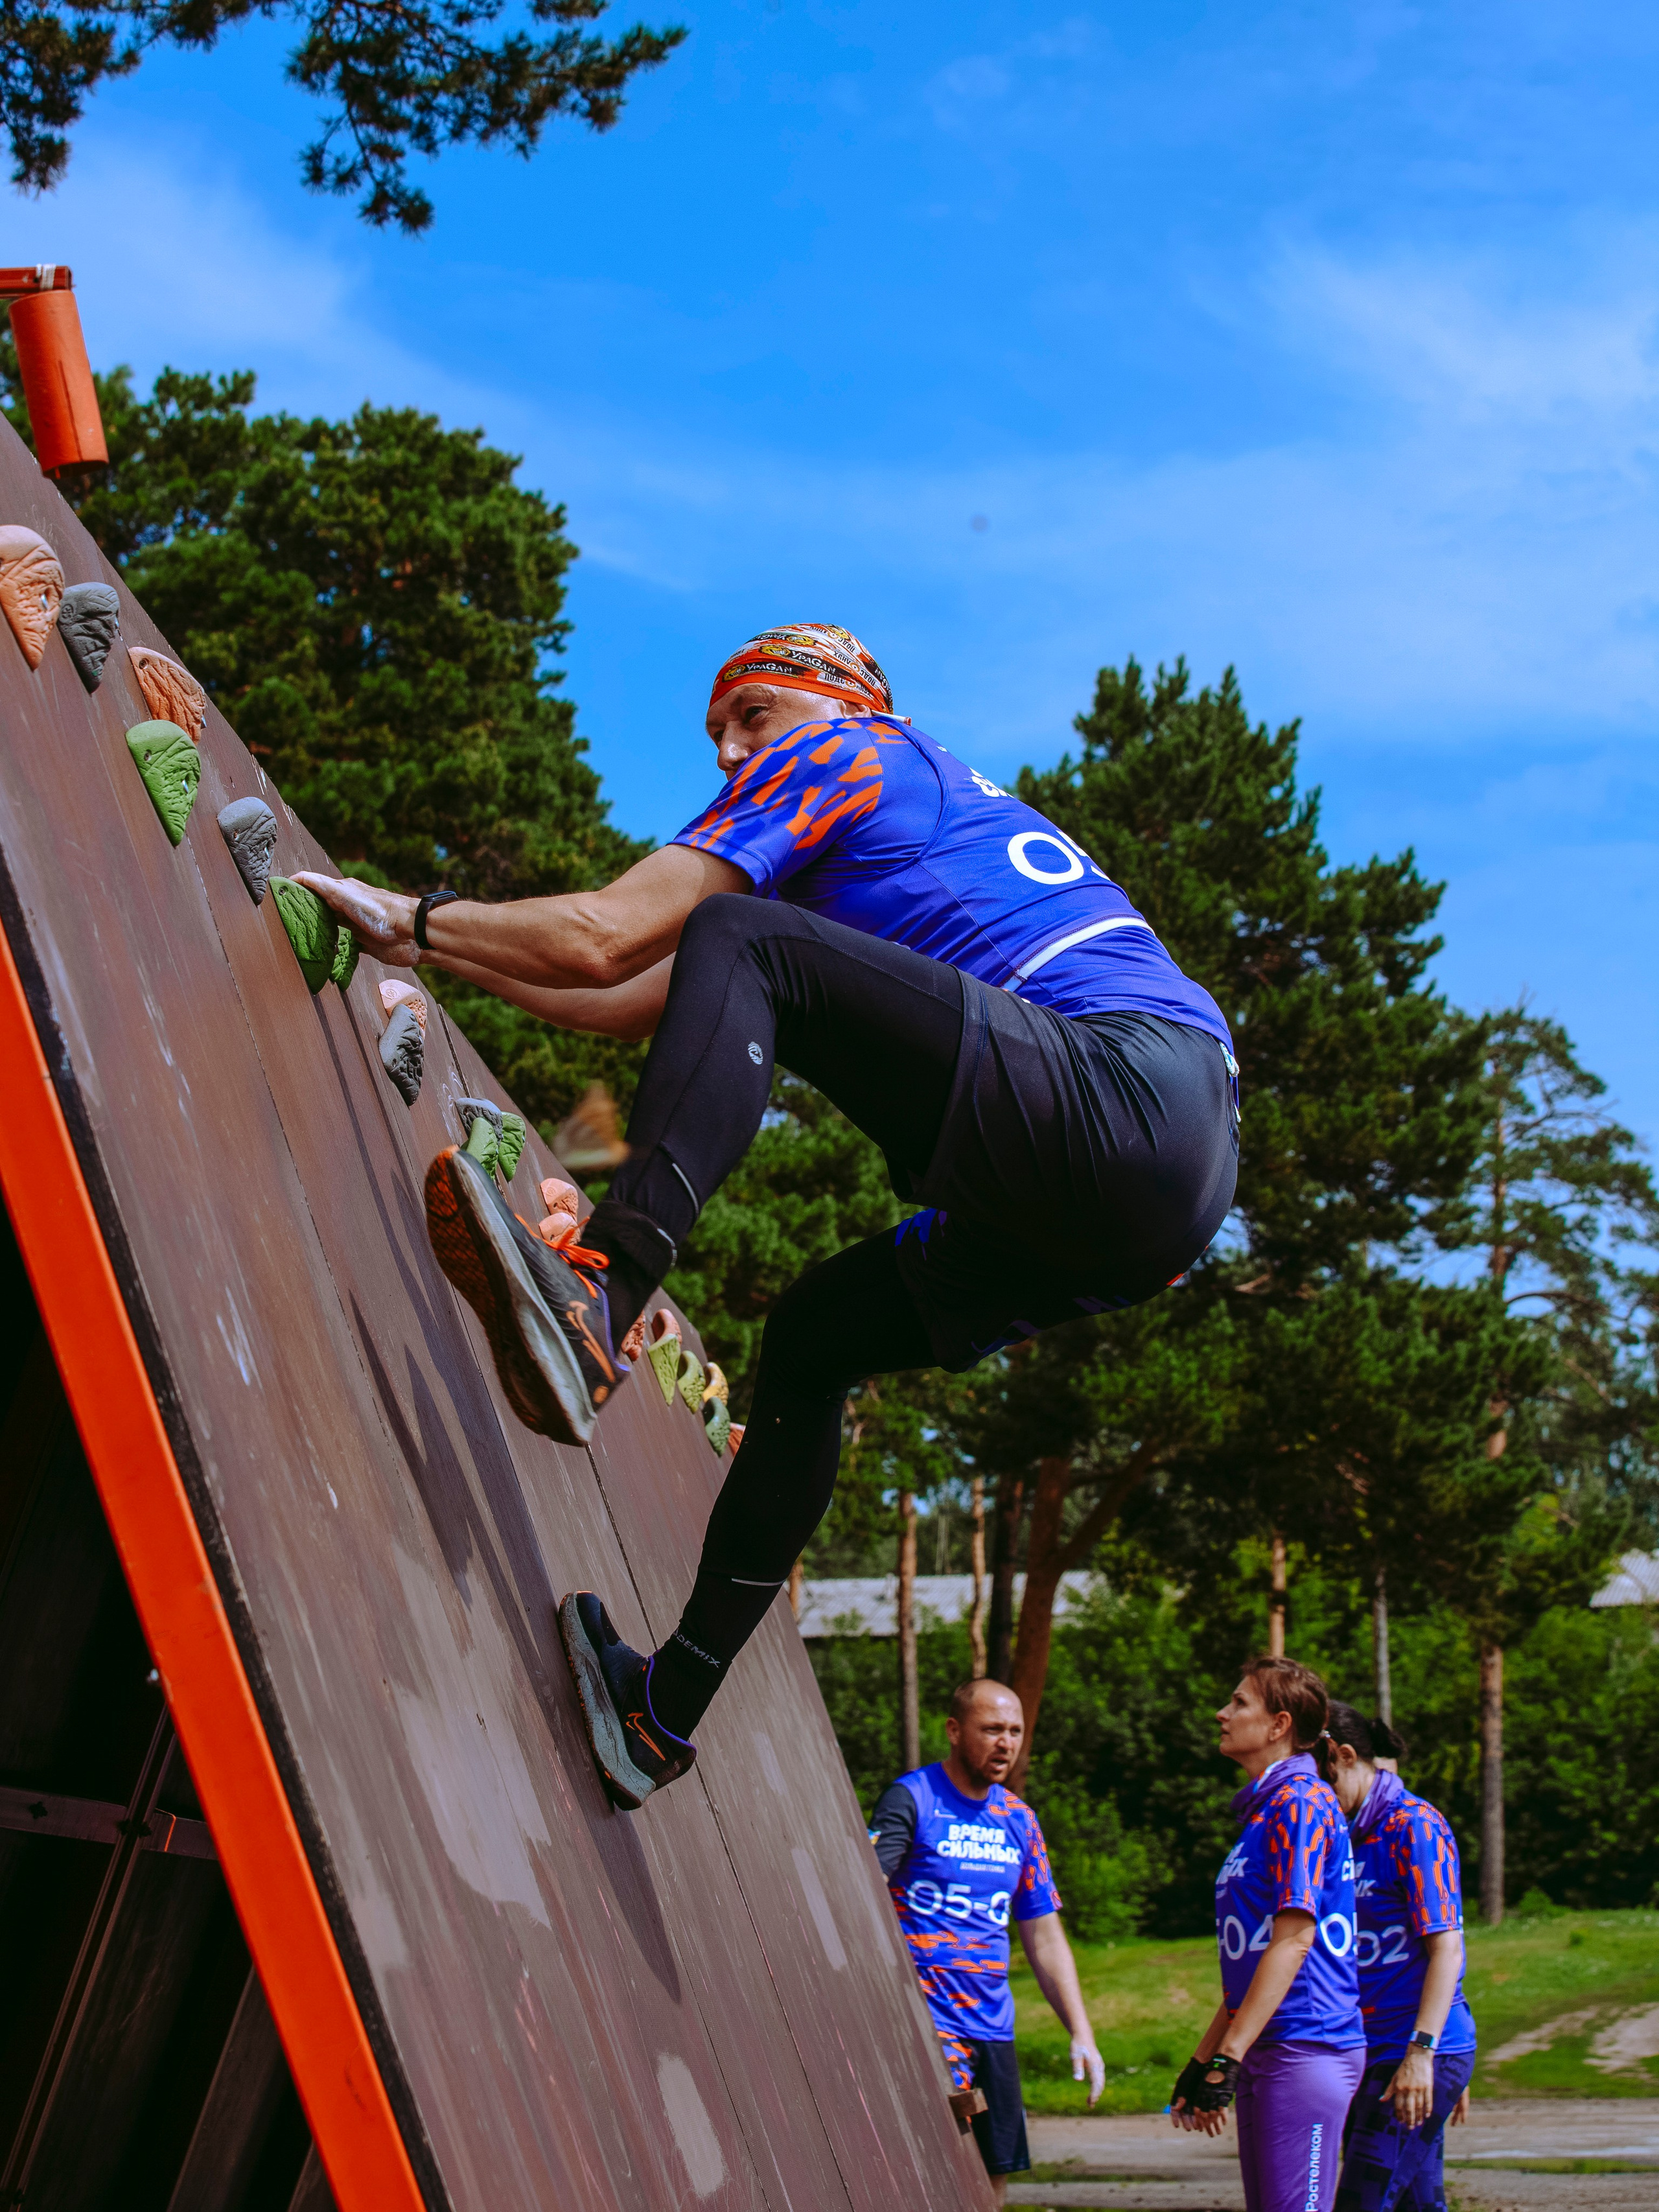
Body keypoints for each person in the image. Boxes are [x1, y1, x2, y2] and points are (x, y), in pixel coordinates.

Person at [297, 624, 1238, 1808]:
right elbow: (622, 991)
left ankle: (601, 1294)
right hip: (1161, 1198)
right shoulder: (892, 811)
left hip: (1125, 1084)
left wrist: (416, 917)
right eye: (717, 736)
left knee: (737, 932)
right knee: (811, 1339)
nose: (734, 753)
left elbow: (610, 931)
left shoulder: (853, 747)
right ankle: (661, 1711)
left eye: (754, 715)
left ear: (836, 699)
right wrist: (441, 948)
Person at [870, 1679, 1104, 2205]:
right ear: (955, 1730)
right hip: (928, 2024)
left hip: (993, 2029)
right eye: (992, 1728)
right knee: (935, 2170)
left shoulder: (1020, 1820)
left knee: (992, 2182)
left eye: (1015, 1731)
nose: (1006, 1742)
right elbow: (866, 1897)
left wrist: (1081, 2031)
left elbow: (1044, 1935)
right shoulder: (912, 1798)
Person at [1169, 1656, 1365, 2212]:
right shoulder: (1266, 1808)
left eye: (1239, 1703)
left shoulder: (1301, 1800)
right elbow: (1253, 1962)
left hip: (1307, 2044)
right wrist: (1204, 2057)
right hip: (1268, 2046)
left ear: (1279, 1724)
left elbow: (1295, 1939)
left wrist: (1226, 2058)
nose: (1221, 1713)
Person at [1320, 1705, 1475, 2212]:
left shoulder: (1414, 1825)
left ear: (1344, 1756)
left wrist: (1426, 2056)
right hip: (1374, 2051)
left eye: (1323, 1778)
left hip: (1410, 2054)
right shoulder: (1346, 1832)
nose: (1318, 1794)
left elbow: (1446, 1950)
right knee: (1418, 2207)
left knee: (1361, 2204)